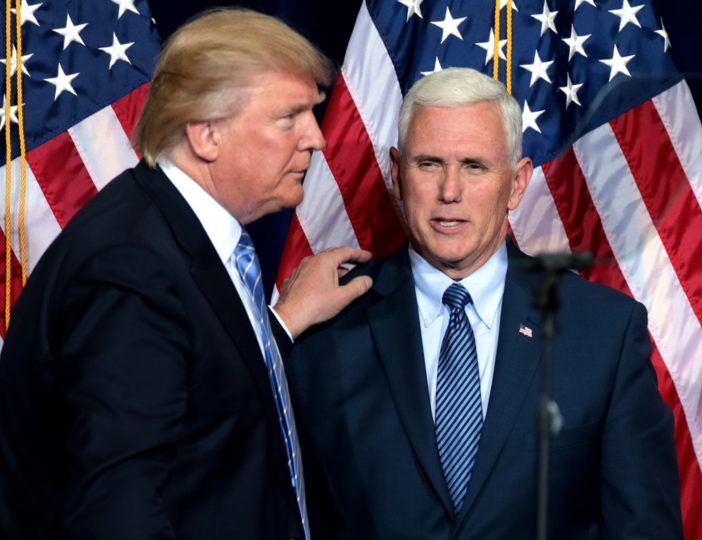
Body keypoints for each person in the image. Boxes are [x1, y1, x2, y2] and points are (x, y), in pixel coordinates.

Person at [0, 8, 372, 540]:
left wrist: (279, 326)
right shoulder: (129, 271)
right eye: (290, 117)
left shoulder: (172, 231)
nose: (317, 138)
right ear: (206, 135)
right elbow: (116, 511)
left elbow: (199, 402)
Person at [287, 67, 682, 539]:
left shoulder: (603, 332)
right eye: (428, 164)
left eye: (474, 166)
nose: (449, 192)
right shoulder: (325, 323)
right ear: (396, 172)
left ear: (517, 183)